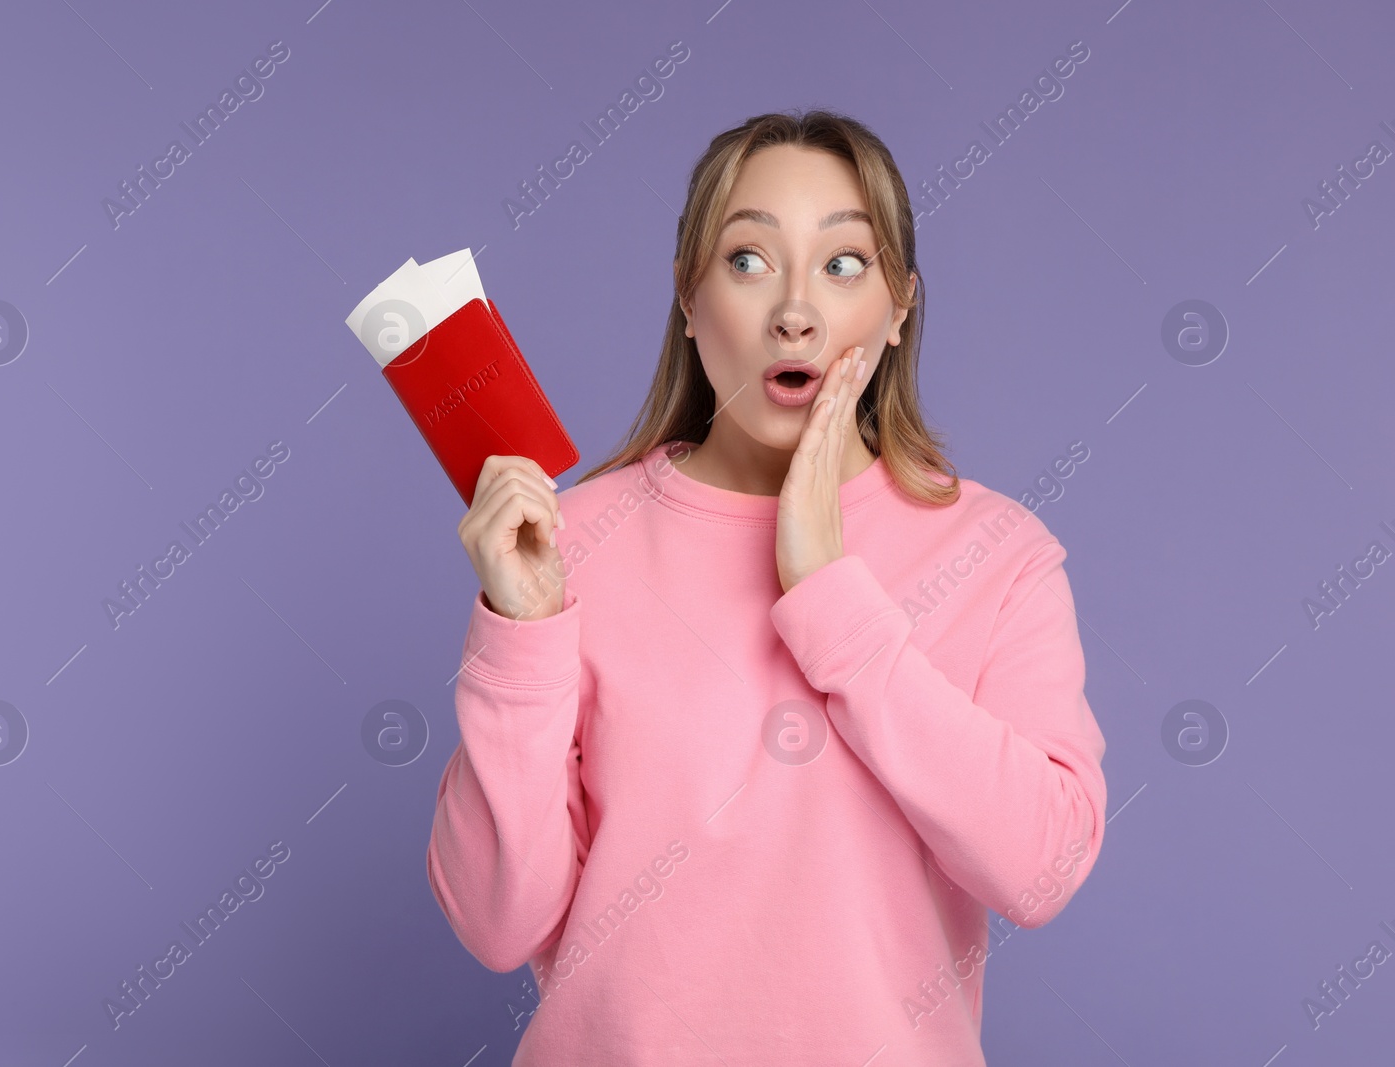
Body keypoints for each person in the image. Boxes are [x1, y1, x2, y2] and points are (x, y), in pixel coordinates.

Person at [427, 108, 1108, 1066]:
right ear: (687, 293)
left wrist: (831, 591)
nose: (797, 309)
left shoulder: (996, 554)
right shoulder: (570, 542)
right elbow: (499, 924)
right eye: (748, 259)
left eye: (843, 264)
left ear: (900, 304)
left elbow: (1041, 869)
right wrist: (520, 630)